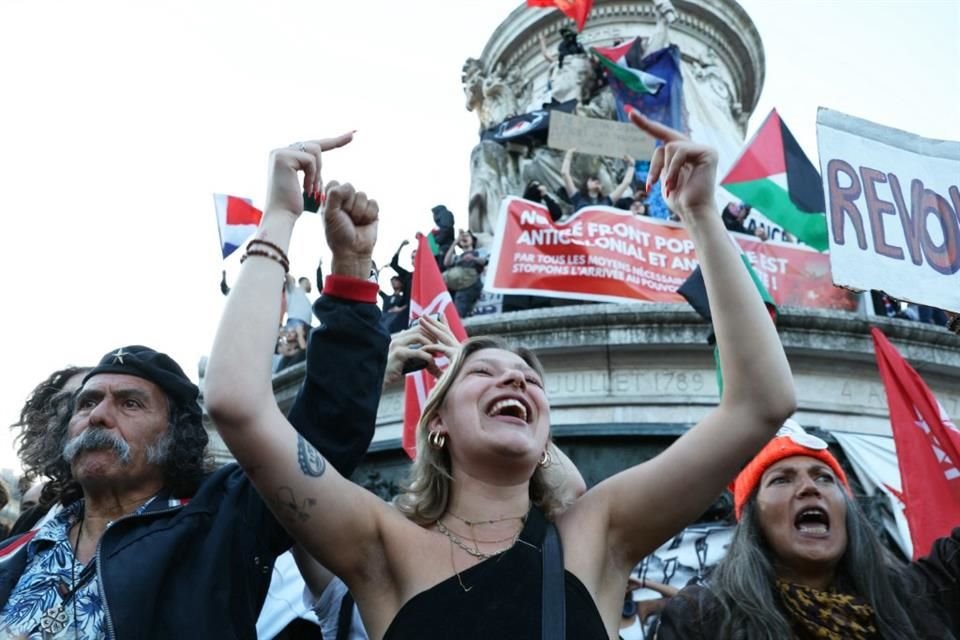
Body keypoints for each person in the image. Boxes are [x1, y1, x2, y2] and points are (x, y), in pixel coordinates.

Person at [206, 113, 795, 639]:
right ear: (436, 422)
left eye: (530, 380)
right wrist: (280, 215)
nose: (515, 381)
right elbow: (237, 403)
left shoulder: (601, 534)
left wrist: (702, 217)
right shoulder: (380, 547)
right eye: (483, 372)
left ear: (545, 435)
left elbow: (761, 403)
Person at [0, 136, 390, 640]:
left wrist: (351, 271)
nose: (97, 415)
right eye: (88, 402)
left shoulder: (220, 525)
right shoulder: (21, 541)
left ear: (177, 434)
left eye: (130, 403)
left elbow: (328, 427)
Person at [655, 421, 960, 639]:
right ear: (754, 520)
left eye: (825, 477)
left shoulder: (921, 594)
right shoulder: (701, 619)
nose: (809, 488)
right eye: (782, 479)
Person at [562, 148, 635, 212]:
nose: (597, 181)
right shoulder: (577, 198)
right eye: (593, 180)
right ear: (586, 184)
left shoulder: (607, 200)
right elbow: (565, 174)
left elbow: (625, 183)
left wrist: (631, 166)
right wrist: (569, 154)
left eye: (599, 182)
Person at [443, 230, 487, 318]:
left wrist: (473, 258)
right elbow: (446, 262)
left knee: (459, 314)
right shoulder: (458, 257)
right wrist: (455, 242)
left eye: (467, 236)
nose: (464, 238)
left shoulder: (479, 252)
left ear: (472, 240)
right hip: (461, 287)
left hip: (472, 285)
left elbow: (485, 261)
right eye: (462, 237)